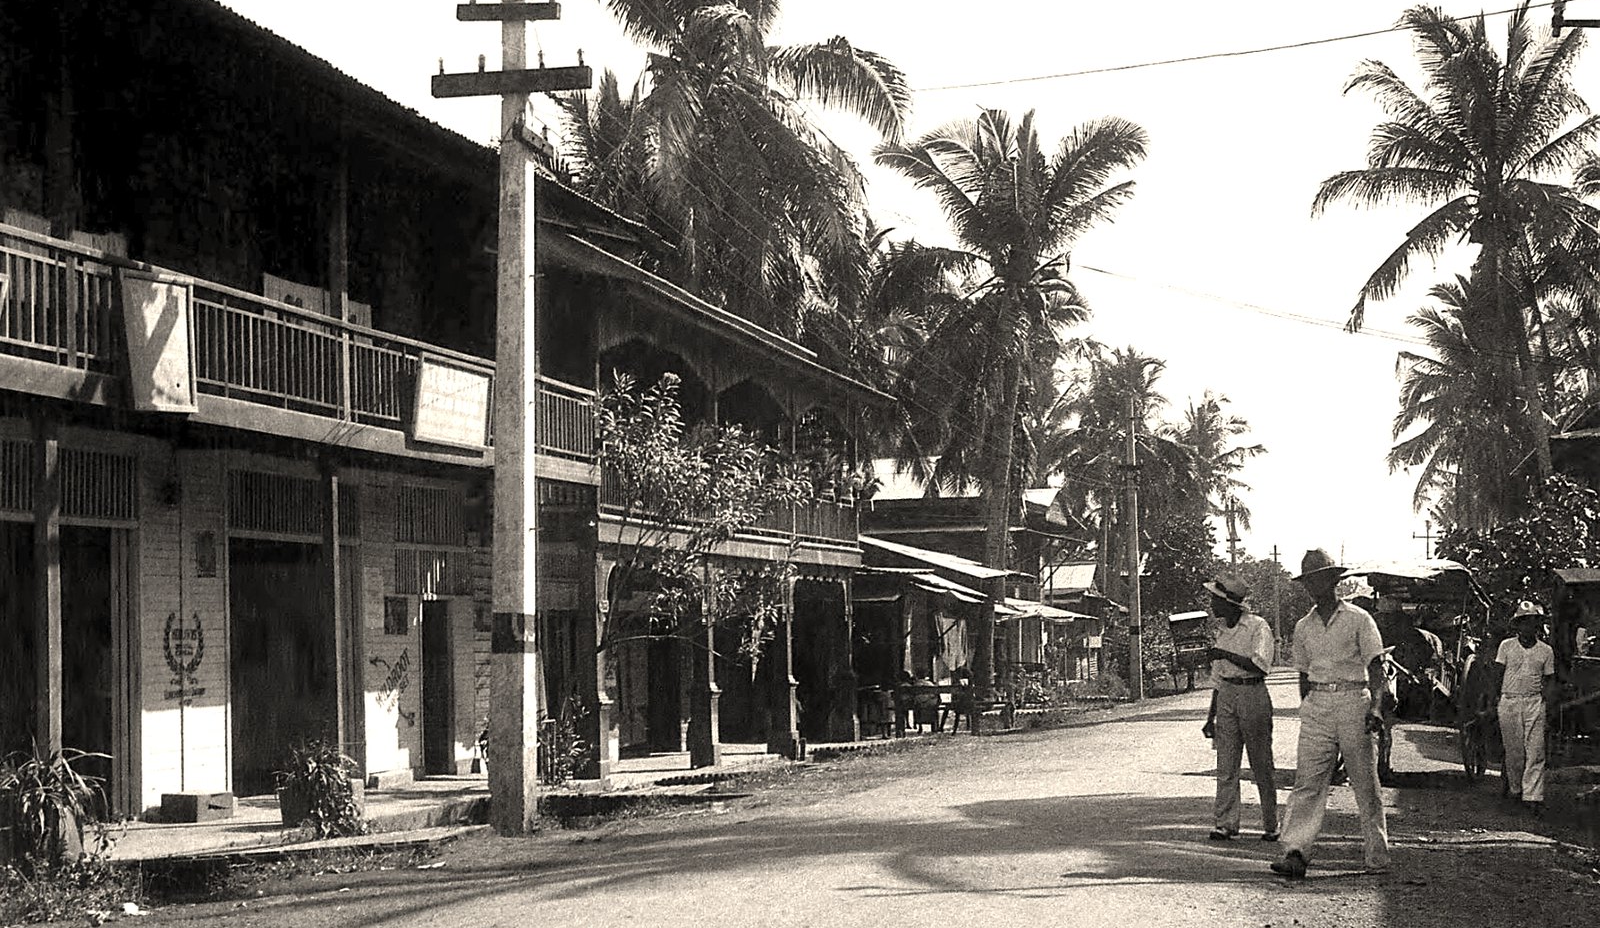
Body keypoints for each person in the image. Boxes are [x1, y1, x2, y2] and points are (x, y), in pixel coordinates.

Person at [1271, 549, 1390, 880]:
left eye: (1319, 579)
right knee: (1307, 783)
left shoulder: (1358, 619)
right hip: (1318, 706)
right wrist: (1307, 708)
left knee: (1365, 784)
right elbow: (1303, 675)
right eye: (1308, 581)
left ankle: (1377, 856)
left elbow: (1376, 667)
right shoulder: (1303, 627)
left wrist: (1376, 707)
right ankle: (1295, 852)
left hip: (1354, 700)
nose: (1314, 586)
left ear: (1333, 580)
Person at [1200, 572, 1279, 842]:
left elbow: (1260, 665)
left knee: (1261, 763)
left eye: (1215, 600)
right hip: (1227, 696)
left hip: (1252, 693)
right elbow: (1218, 680)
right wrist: (1210, 717)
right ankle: (1225, 823)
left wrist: (1224, 654)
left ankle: (1271, 824)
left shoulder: (1257, 627)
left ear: (1229, 603)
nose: (1212, 605)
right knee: (1227, 764)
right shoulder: (1222, 632)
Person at [1490, 601, 1558, 817]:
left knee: (1536, 751)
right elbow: (1497, 674)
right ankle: (1516, 789)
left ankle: (1533, 796)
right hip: (1509, 702)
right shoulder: (1506, 646)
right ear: (1518, 626)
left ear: (1538, 626)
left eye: (1534, 623)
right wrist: (1493, 700)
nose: (1529, 627)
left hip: (1534, 702)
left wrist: (1547, 705)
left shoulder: (1546, 651)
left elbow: (1549, 680)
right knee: (1514, 751)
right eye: (1525, 623)